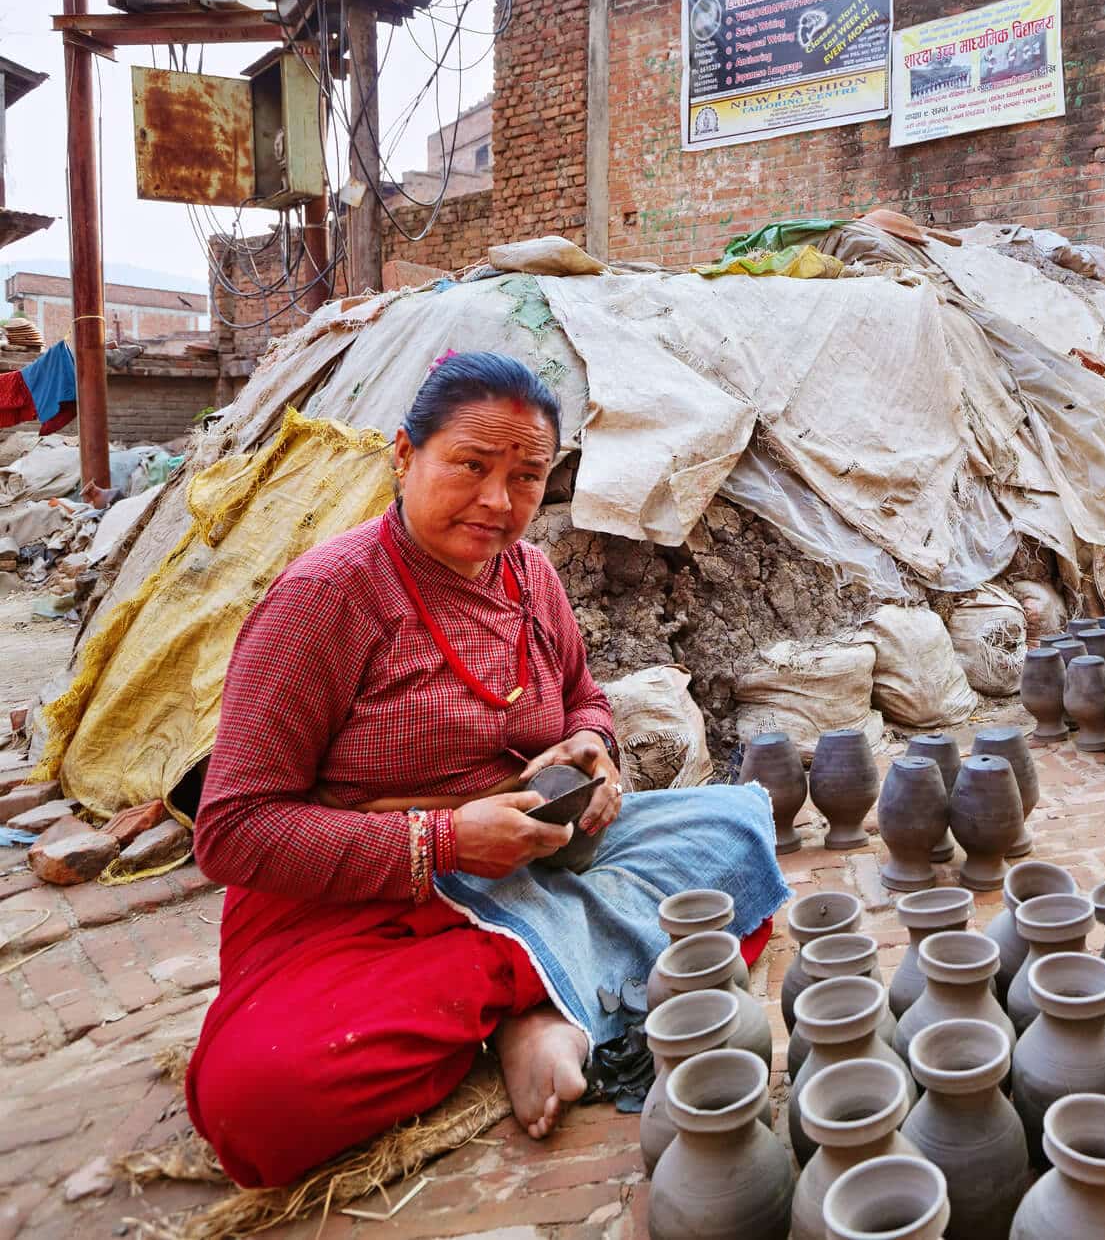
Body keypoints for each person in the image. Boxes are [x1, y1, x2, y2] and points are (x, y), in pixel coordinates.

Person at [183, 352, 788, 1189]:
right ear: (404, 455)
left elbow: (582, 699)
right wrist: (444, 841)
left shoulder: (531, 576)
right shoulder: (326, 598)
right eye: (470, 465)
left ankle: (545, 1001)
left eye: (527, 475)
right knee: (259, 1101)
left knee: (738, 829)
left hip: (536, 860)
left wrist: (593, 753)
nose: (499, 501)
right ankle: (546, 1001)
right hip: (370, 900)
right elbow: (234, 830)